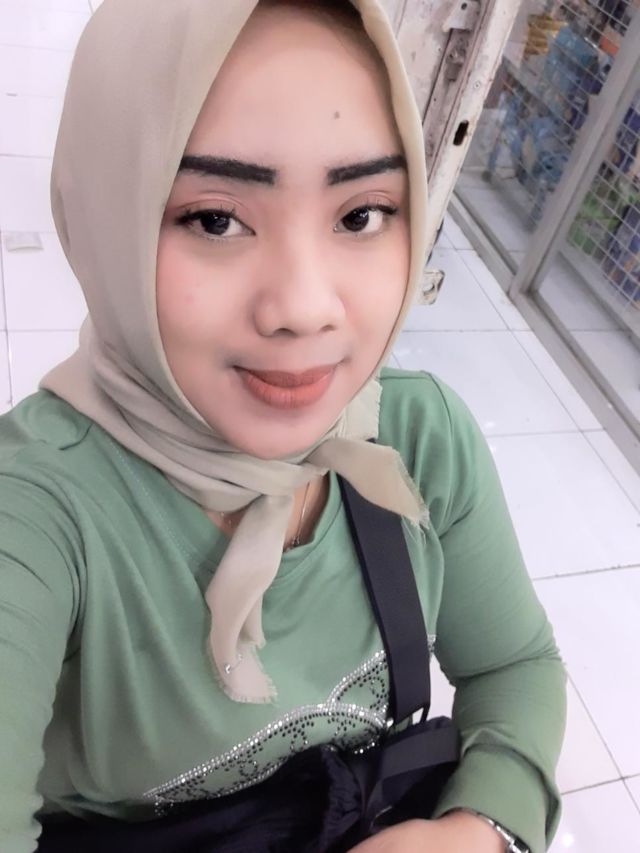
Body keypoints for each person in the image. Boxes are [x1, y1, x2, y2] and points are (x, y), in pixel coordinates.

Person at [0, 0, 567, 851]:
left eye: (360, 214)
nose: (304, 307)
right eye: (215, 219)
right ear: (107, 217)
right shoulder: (35, 516)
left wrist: (478, 826)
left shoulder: (417, 440)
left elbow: (512, 665)